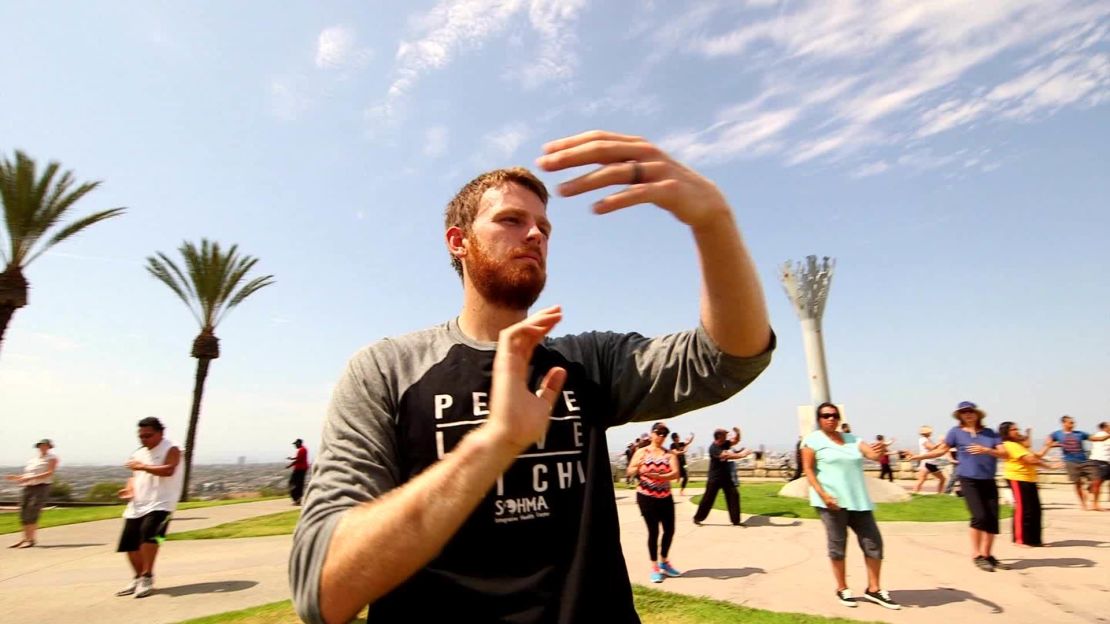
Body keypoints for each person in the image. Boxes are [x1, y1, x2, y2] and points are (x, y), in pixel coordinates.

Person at [289, 131, 774, 624]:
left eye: (544, 225)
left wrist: (714, 223)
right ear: (459, 241)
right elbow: (323, 593)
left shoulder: (587, 362)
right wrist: (493, 445)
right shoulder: (386, 370)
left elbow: (729, 358)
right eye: (511, 220)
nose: (536, 234)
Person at [802, 403, 900, 610]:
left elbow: (872, 455)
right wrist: (823, 495)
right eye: (826, 415)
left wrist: (880, 450)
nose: (831, 418)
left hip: (858, 501)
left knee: (874, 542)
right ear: (819, 419)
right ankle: (842, 588)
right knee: (838, 545)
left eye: (834, 415)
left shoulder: (853, 439)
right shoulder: (812, 441)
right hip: (831, 503)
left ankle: (874, 589)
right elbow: (808, 471)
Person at [910, 401, 1004, 572]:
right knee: (979, 516)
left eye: (970, 411)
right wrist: (917, 457)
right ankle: (977, 555)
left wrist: (986, 450)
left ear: (977, 414)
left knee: (992, 518)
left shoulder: (990, 434)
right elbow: (941, 450)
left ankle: (988, 554)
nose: (967, 414)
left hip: (988, 479)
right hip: (969, 479)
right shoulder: (956, 433)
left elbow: (1004, 453)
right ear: (959, 416)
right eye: (963, 412)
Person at [115, 417, 183, 599]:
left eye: (148, 435)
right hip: (138, 504)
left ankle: (147, 576)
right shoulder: (139, 453)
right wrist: (128, 490)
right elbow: (133, 477)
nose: (144, 439)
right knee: (129, 544)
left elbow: (169, 470)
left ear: (160, 433)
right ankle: (138, 577)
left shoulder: (172, 449)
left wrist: (143, 466)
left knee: (151, 537)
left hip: (163, 503)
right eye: (141, 436)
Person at [627, 422, 682, 583]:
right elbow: (629, 471)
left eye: (665, 433)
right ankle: (654, 567)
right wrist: (639, 468)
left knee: (669, 530)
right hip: (646, 497)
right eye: (659, 432)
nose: (662, 436)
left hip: (665, 496)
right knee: (654, 531)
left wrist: (659, 477)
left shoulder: (669, 454)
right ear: (652, 433)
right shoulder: (641, 452)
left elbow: (676, 474)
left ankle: (664, 562)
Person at [998, 422, 1057, 547]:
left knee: (1035, 510)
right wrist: (1049, 467)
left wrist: (1048, 446)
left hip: (1029, 479)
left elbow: (1037, 456)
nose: (1017, 431)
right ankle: (1020, 540)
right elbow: (1030, 460)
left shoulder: (1019, 445)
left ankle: (1034, 540)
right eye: (1014, 429)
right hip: (1017, 479)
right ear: (1006, 432)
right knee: (1023, 509)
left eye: (1017, 429)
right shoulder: (1009, 445)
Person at [5, 439, 59, 549]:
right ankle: (25, 538)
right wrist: (18, 478)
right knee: (23, 512)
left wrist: (31, 477)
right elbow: (28, 474)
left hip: (41, 487)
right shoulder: (33, 460)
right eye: (41, 446)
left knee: (33, 510)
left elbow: (49, 473)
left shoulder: (52, 458)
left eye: (45, 445)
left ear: (49, 447)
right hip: (28, 487)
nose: (43, 447)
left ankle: (31, 539)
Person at [1049, 415, 1109, 510]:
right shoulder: (1057, 434)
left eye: (1073, 422)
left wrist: (1107, 435)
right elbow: (1048, 443)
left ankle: (1095, 504)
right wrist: (1058, 444)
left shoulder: (1080, 433)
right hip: (1070, 462)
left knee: (1097, 480)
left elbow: (1095, 438)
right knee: (1078, 484)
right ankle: (1083, 504)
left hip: (1084, 460)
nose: (1073, 424)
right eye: (1071, 422)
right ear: (1064, 423)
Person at [693, 429, 750, 526]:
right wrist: (742, 454)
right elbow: (726, 455)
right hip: (714, 478)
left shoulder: (725, 443)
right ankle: (698, 518)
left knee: (734, 495)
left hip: (726, 477)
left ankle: (736, 521)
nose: (727, 436)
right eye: (725, 435)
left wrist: (738, 433)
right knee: (708, 499)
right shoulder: (713, 448)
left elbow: (735, 441)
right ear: (719, 436)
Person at [912, 426, 946, 494]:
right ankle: (914, 494)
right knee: (922, 480)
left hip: (930, 462)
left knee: (922, 480)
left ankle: (939, 494)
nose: (931, 433)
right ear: (927, 432)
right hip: (927, 462)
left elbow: (935, 449)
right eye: (930, 431)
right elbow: (931, 448)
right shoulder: (923, 439)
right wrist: (941, 442)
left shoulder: (927, 439)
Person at [1089, 421, 1110, 509]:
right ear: (1104, 427)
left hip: (1102, 462)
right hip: (1101, 461)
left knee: (1098, 482)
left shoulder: (1098, 435)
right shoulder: (1103, 435)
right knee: (1098, 483)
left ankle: (1090, 488)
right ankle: (1095, 504)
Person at [287, 439, 310, 505]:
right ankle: (298, 499)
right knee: (298, 484)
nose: (295, 446)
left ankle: (297, 499)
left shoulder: (302, 450)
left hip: (300, 469)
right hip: (301, 469)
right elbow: (299, 458)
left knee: (293, 483)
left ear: (299, 443)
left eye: (295, 444)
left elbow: (298, 460)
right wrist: (292, 458)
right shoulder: (303, 449)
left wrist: (289, 465)